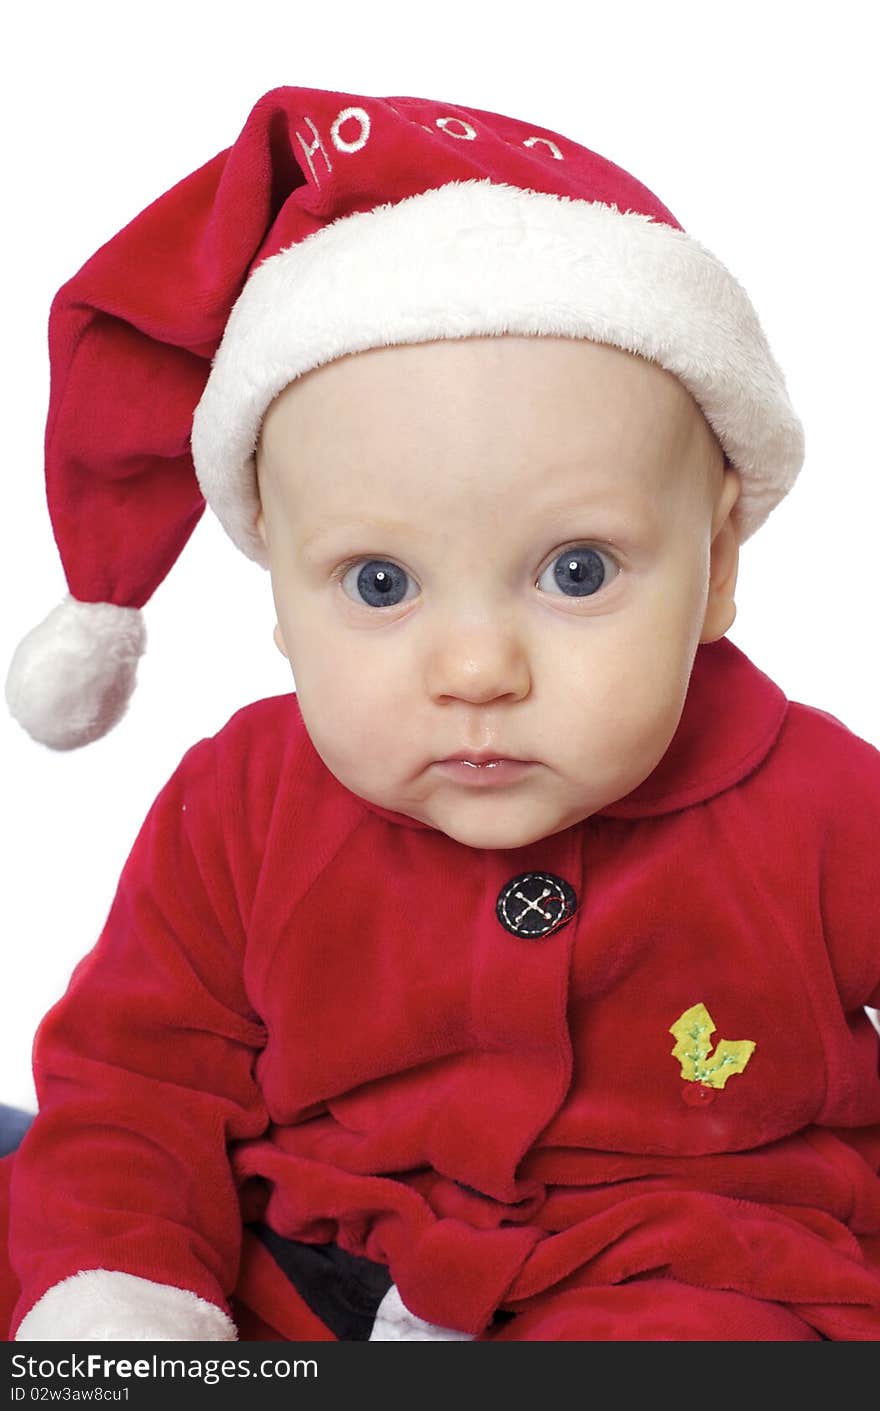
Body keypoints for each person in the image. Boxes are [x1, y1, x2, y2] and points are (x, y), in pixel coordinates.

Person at [2, 84, 879, 1343]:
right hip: (311, 1257)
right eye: (379, 584)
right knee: (51, 1209)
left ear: (717, 564)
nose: (475, 668)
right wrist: (124, 1292)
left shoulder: (823, 806)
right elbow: (142, 1081)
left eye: (577, 571)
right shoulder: (240, 801)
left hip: (677, 1275)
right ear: (277, 595)